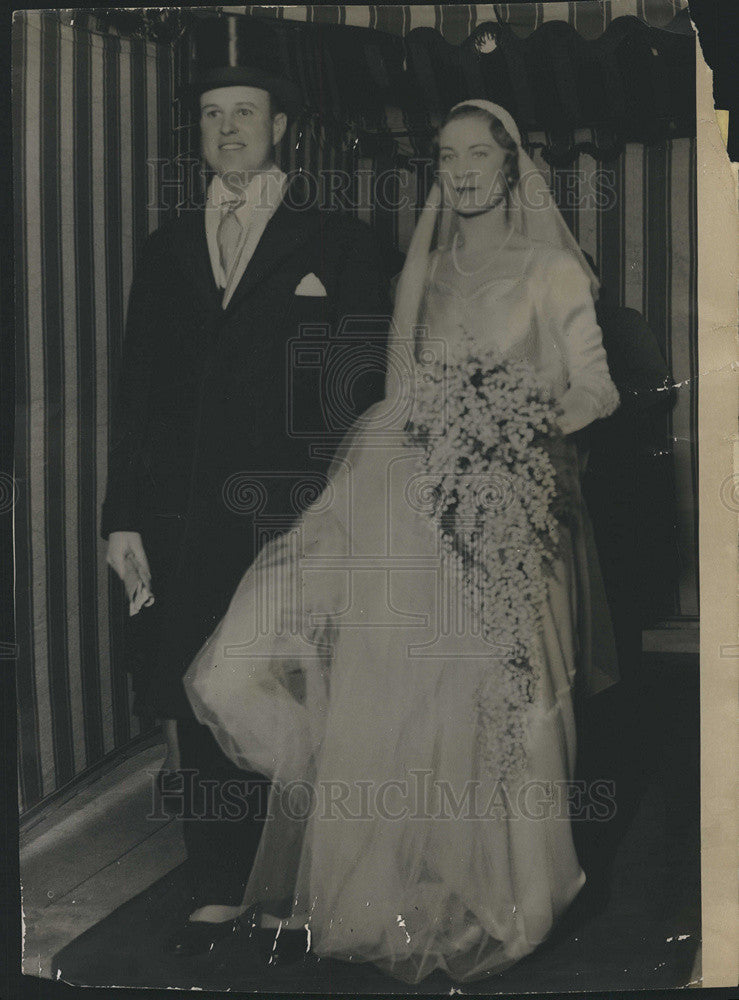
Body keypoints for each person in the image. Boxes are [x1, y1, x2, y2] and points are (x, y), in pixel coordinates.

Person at [183, 100, 621, 983]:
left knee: (500, 712)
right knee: (358, 696)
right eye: (444, 155)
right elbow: (396, 391)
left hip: (507, 516)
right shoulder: (424, 269)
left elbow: (598, 393)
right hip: (409, 502)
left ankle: (521, 896)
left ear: (509, 165)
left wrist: (511, 437)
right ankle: (400, 864)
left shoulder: (549, 270)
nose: (459, 169)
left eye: (476, 154)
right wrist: (431, 455)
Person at [101, 23, 390, 958]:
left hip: (294, 513)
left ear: (280, 129)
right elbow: (137, 389)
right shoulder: (168, 244)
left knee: (296, 686)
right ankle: (222, 878)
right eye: (211, 117)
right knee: (194, 691)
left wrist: (344, 510)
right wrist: (122, 519)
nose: (227, 131)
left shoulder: (338, 241)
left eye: (244, 114)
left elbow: (366, 387)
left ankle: (308, 875)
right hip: (182, 519)